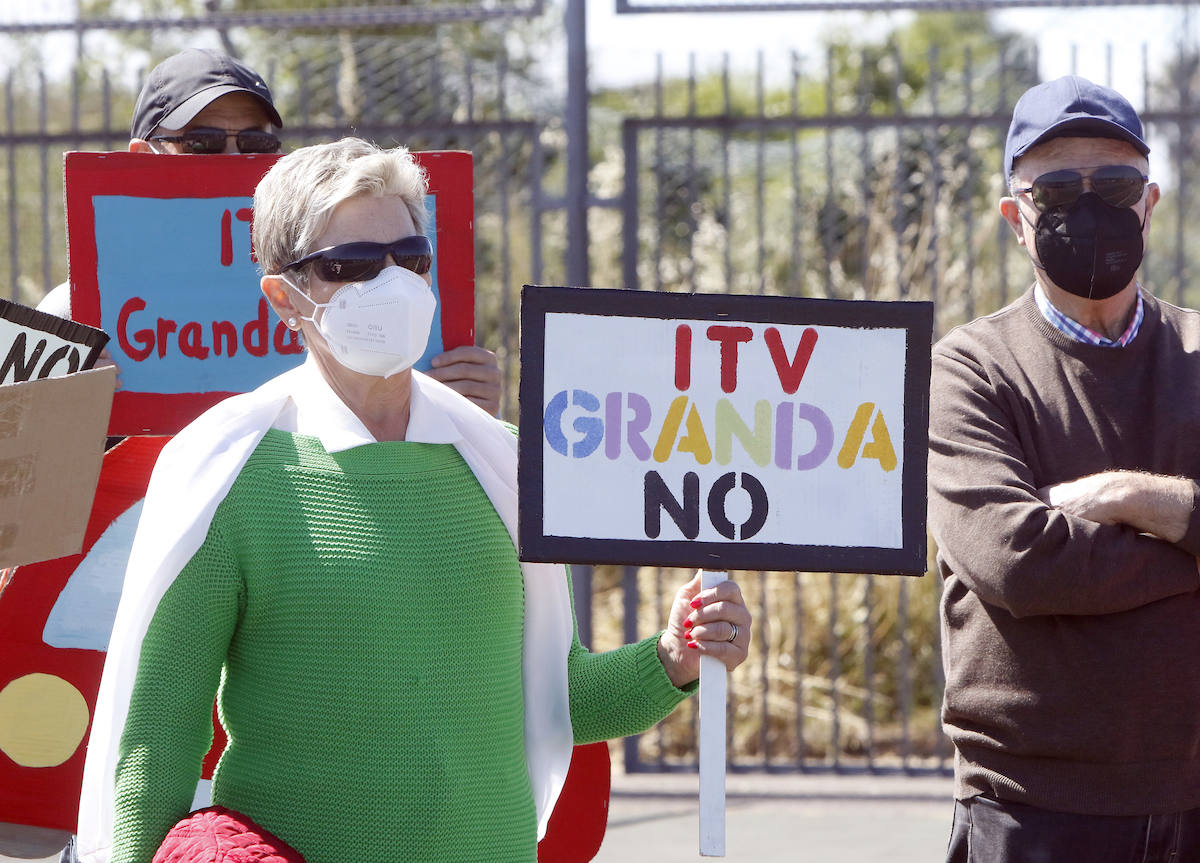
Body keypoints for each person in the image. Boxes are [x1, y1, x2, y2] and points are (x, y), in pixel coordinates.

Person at [77, 137, 754, 863]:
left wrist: (676, 657)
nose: (392, 282)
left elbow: (552, 701)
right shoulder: (227, 468)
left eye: (411, 257)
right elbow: (155, 740)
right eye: (352, 266)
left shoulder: (499, 459)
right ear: (284, 297)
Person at [927, 75, 1200, 863]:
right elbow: (1018, 559)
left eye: (1114, 185)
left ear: (1149, 204)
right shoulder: (970, 371)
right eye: (1056, 190)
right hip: (1033, 803)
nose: (1088, 210)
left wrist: (1133, 496)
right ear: (1016, 219)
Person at [37, 47, 501, 415]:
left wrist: (457, 407)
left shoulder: (326, 287)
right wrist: (54, 409)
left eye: (256, 144)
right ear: (140, 158)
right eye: (203, 143)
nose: (235, 164)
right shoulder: (71, 316)